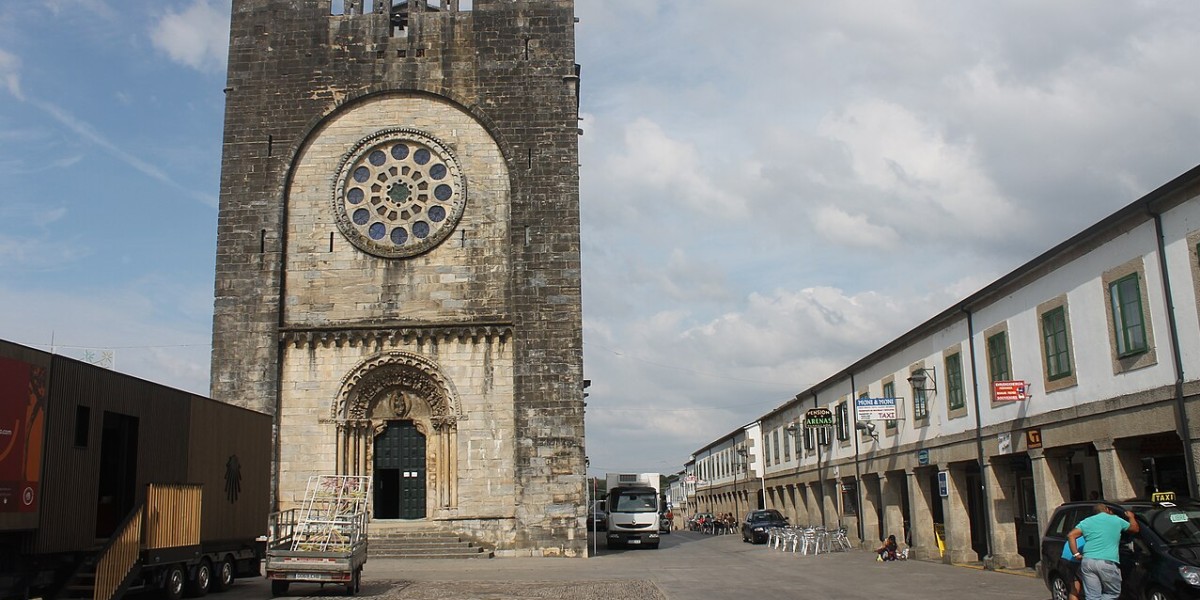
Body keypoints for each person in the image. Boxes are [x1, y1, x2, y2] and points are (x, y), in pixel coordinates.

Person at [1067, 503, 1140, 600]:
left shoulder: (1087, 521)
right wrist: (1131, 517)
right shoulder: (1115, 519)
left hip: (1088, 561)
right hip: (1106, 561)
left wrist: (1076, 554)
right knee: (1112, 593)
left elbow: (1071, 535)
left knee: (1092, 596)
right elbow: (1135, 529)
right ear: (1107, 509)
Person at [1059, 535, 1087, 600]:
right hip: (1077, 560)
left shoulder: (1078, 533)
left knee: (1074, 590)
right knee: (1091, 590)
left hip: (1066, 557)